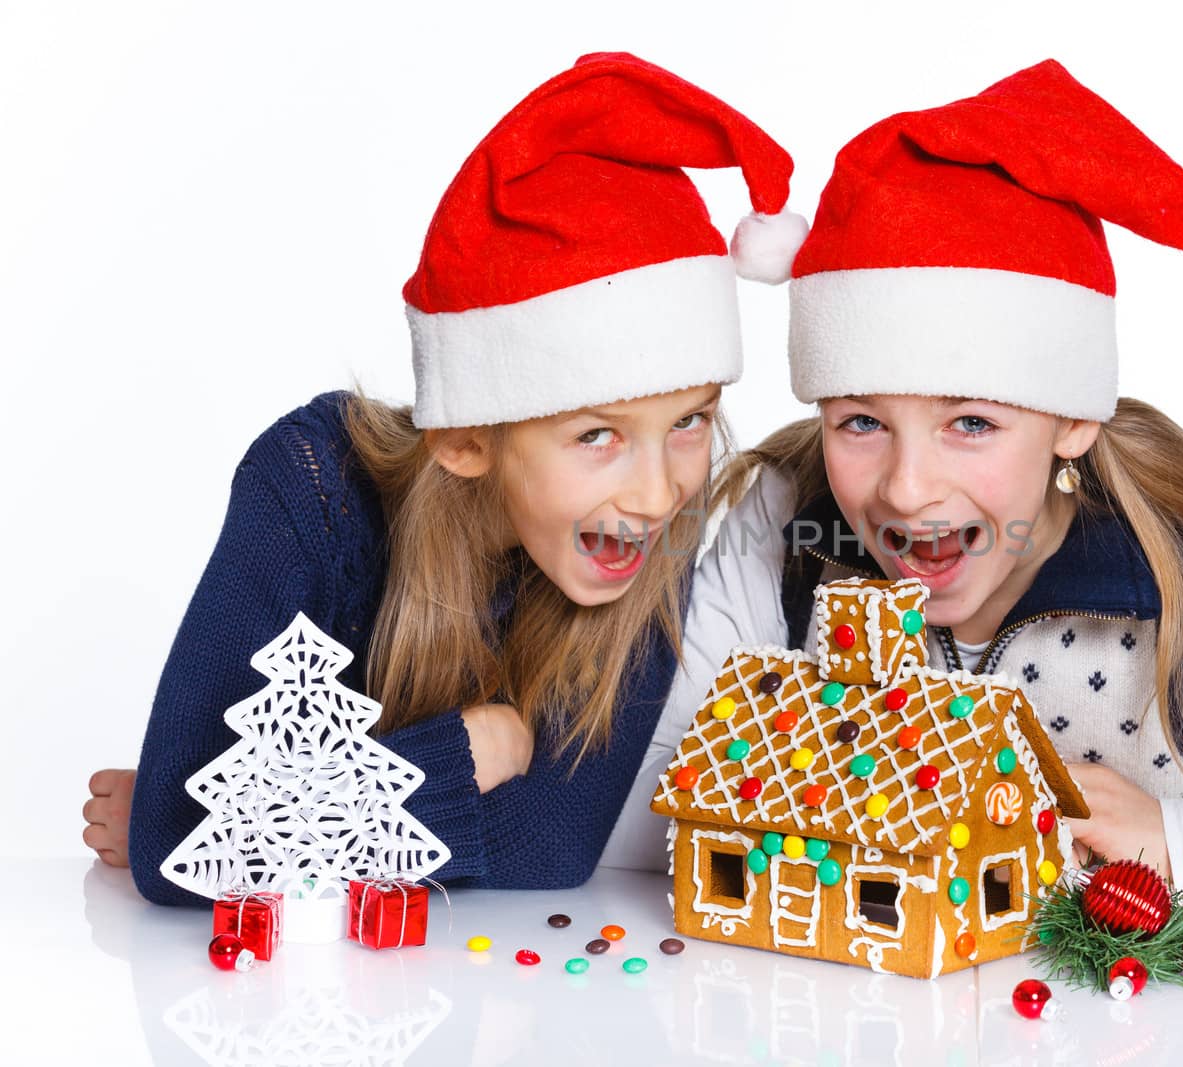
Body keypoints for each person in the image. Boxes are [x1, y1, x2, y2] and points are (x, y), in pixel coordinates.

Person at [612, 60, 1183, 889]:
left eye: (971, 422)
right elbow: (632, 818)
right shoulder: (779, 534)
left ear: (1072, 419)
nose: (905, 489)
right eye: (861, 422)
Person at [80, 52, 809, 903]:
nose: (657, 492)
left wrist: (277, 820)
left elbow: (554, 846)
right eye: (598, 434)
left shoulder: (652, 523)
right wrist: (465, 752)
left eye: (689, 419)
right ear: (466, 440)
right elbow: (180, 844)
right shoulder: (312, 486)